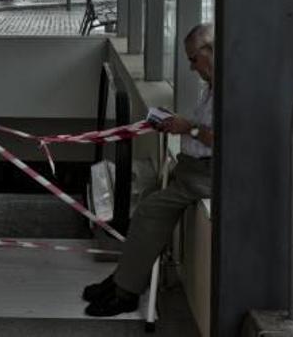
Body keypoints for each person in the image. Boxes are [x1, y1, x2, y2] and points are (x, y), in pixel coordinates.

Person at [82, 23, 215, 317]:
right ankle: (122, 277)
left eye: (194, 59)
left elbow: (219, 136)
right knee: (146, 201)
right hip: (191, 170)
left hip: (204, 177)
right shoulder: (212, 87)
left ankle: (126, 291)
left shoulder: (229, 89)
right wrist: (180, 123)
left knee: (150, 210)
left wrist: (188, 128)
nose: (192, 68)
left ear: (211, 51)